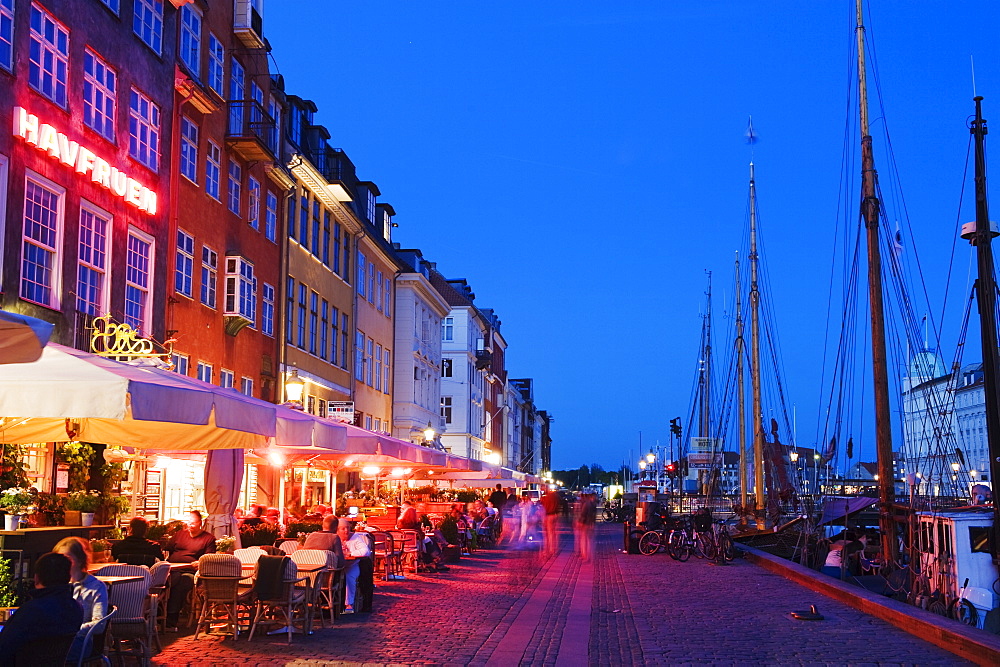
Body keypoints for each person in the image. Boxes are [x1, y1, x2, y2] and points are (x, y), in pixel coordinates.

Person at [0, 552, 84, 665]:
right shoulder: (75, 608)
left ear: (36, 578)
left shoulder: (30, 612)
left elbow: (4, 648)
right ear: (68, 577)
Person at [54, 537, 108, 663]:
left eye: (66, 558)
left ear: (79, 560)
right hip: (55, 639)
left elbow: (99, 625)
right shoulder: (56, 584)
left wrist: (72, 630)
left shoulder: (95, 587)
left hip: (79, 642)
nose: (61, 563)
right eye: (58, 559)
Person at [164, 511, 216, 630]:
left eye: (193, 523)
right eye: (188, 523)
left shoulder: (208, 539)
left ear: (200, 523)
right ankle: (159, 614)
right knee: (163, 582)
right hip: (172, 569)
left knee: (180, 583)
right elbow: (168, 549)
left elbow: (209, 558)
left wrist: (200, 562)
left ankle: (171, 618)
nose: (190, 526)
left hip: (190, 572)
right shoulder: (179, 535)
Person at [337, 519, 372, 613]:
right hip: (337, 566)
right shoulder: (335, 538)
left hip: (352, 565)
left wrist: (351, 553)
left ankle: (349, 604)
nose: (346, 531)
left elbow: (366, 551)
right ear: (337, 530)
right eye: (343, 528)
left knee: (349, 576)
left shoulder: (355, 537)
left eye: (348, 528)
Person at [574, 491, 597, 562]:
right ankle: (589, 557)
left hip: (585, 524)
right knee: (589, 542)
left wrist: (579, 523)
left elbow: (583, 515)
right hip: (591, 524)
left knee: (584, 541)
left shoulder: (587, 504)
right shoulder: (594, 504)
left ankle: (586, 557)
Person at [540, 488, 561, 556]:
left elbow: (543, 507)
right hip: (556, 515)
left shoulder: (546, 497)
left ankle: (547, 550)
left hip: (548, 516)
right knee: (555, 534)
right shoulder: (557, 497)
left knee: (547, 534)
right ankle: (555, 550)